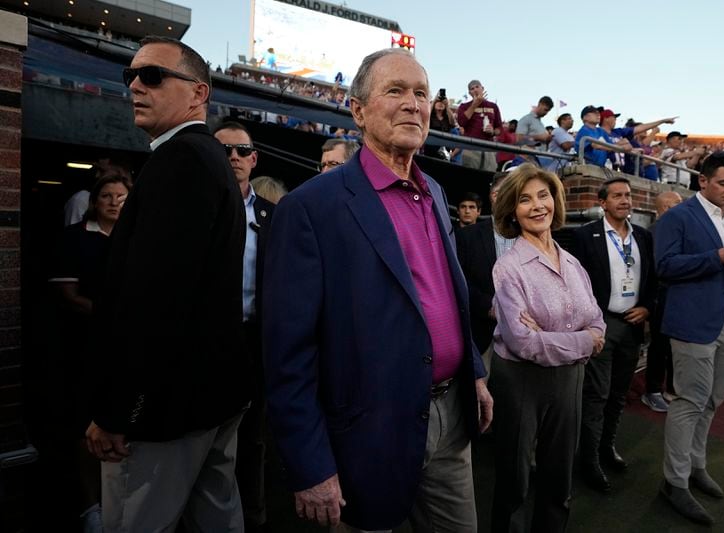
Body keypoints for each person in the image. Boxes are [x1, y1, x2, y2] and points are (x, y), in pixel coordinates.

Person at [262, 49, 492, 531]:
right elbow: (288, 355)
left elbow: (447, 297)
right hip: (368, 434)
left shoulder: (436, 193)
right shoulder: (311, 208)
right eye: (395, 91)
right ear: (358, 110)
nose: (413, 104)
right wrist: (311, 466)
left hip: (452, 419)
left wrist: (473, 370)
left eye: (421, 93)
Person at [85, 36, 251, 532]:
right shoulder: (203, 160)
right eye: (131, 75)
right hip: (206, 399)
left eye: (153, 76)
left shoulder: (181, 161)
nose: (135, 84)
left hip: (165, 410)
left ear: (198, 93)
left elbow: (156, 301)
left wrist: (119, 412)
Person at [490, 163, 605, 532]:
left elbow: (598, 319)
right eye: (525, 200)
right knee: (515, 481)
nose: (538, 206)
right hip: (521, 381)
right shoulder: (508, 268)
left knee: (559, 477)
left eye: (543, 195)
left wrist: (554, 338)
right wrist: (584, 340)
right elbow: (523, 342)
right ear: (512, 211)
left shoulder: (573, 262)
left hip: (569, 379)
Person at [655, 150, 724, 525]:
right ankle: (675, 482)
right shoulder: (679, 217)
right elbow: (665, 267)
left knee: (712, 402)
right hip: (695, 323)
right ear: (702, 181)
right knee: (689, 401)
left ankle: (696, 467)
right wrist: (717, 256)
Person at [49, 174, 131, 533]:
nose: (114, 202)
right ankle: (90, 509)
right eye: (107, 196)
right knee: (85, 428)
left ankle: (118, 504)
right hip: (83, 347)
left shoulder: (137, 241)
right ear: (94, 201)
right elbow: (68, 296)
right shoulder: (73, 239)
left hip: (126, 351)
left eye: (122, 197)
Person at [571, 177, 657, 492]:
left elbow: (652, 278)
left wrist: (647, 307)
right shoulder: (585, 236)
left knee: (619, 394)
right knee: (596, 395)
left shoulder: (644, 238)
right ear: (603, 202)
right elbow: (575, 282)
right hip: (600, 325)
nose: (625, 200)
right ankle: (588, 460)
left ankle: (607, 448)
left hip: (633, 326)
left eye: (628, 195)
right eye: (617, 195)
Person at [214, 121, 276, 533]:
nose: (233, 158)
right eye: (224, 151)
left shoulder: (274, 215)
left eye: (241, 151)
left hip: (257, 342)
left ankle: (253, 519)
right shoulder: (196, 208)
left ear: (253, 159)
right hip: (208, 343)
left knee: (253, 439)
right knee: (208, 438)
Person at [456, 171, 514, 366]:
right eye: (504, 191)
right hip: (481, 336)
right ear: (494, 196)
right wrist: (489, 307)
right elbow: (458, 280)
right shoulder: (467, 237)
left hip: (524, 336)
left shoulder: (531, 236)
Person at [641, 191, 683, 412]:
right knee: (660, 346)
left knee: (673, 346)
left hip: (675, 298)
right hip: (660, 298)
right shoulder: (655, 233)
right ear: (666, 207)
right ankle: (653, 390)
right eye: (678, 203)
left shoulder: (674, 230)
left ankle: (670, 389)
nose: (682, 207)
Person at [457, 79, 503, 171]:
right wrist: (474, 105)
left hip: (488, 149)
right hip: (470, 148)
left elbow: (499, 128)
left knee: (489, 177)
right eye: (472, 88)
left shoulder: (493, 106)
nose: (475, 90)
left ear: (482, 88)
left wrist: (492, 131)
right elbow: (461, 122)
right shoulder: (464, 106)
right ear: (469, 92)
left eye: (477, 87)